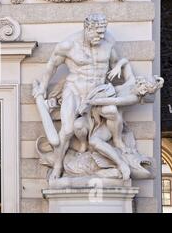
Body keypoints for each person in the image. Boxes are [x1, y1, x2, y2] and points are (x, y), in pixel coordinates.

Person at [33, 13, 135, 181]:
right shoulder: (68, 45)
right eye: (97, 33)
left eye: (103, 32)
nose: (101, 36)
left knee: (110, 112)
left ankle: (116, 142)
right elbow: (52, 65)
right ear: (87, 28)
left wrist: (124, 76)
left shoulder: (108, 43)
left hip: (98, 93)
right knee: (67, 130)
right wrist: (42, 88)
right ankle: (58, 166)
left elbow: (117, 62)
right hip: (74, 89)